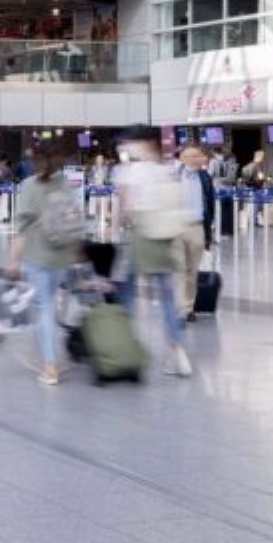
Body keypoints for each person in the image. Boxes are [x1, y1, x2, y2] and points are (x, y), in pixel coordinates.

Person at [115, 127, 192, 377]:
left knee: (126, 294)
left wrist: (117, 228)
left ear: (144, 143)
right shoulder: (167, 170)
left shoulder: (130, 171)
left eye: (130, 142)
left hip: (139, 238)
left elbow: (124, 209)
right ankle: (177, 351)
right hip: (163, 239)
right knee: (167, 297)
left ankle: (125, 349)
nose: (126, 147)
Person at [2, 143, 80, 384]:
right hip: (61, 256)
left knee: (43, 307)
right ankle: (48, 352)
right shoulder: (65, 183)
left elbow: (21, 229)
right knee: (49, 304)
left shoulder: (29, 186)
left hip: (37, 255)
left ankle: (50, 366)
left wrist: (13, 260)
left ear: (35, 161)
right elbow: (74, 218)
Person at [174, 146, 215, 323]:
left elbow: (210, 202)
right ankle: (179, 308)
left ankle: (189, 307)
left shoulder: (204, 177)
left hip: (197, 226)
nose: (200, 158)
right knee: (179, 269)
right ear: (184, 158)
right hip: (176, 227)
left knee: (192, 270)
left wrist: (209, 227)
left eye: (200, 155)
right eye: (195, 156)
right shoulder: (173, 176)